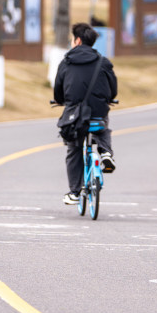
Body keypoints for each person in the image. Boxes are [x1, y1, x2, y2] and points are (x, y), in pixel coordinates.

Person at [53, 23, 118, 205]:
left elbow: (58, 92)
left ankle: (74, 192)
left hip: (75, 116)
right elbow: (113, 89)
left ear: (78, 40)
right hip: (97, 112)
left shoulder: (66, 62)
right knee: (102, 126)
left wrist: (61, 101)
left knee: (74, 148)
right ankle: (105, 153)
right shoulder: (103, 62)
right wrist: (108, 99)